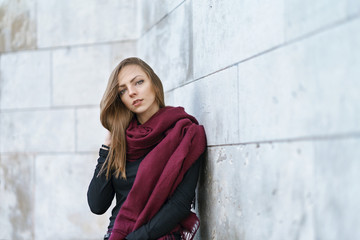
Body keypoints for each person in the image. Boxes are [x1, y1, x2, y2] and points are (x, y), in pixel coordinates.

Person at [87, 57, 207, 240]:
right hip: (117, 234)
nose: (132, 92)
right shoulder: (122, 140)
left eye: (139, 82)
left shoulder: (185, 134)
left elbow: (180, 204)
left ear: (155, 84)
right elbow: (97, 205)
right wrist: (106, 149)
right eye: (123, 91)